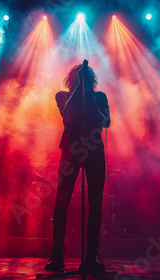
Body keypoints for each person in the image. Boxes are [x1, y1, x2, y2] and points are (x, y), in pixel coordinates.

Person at [45, 61, 111, 272]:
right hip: (71, 151)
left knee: (96, 203)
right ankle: (57, 256)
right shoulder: (62, 95)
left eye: (85, 77)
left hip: (94, 151)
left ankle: (92, 256)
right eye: (79, 77)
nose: (83, 80)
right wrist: (79, 90)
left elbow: (106, 122)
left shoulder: (99, 97)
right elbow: (68, 114)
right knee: (61, 201)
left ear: (91, 80)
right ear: (72, 80)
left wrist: (89, 97)